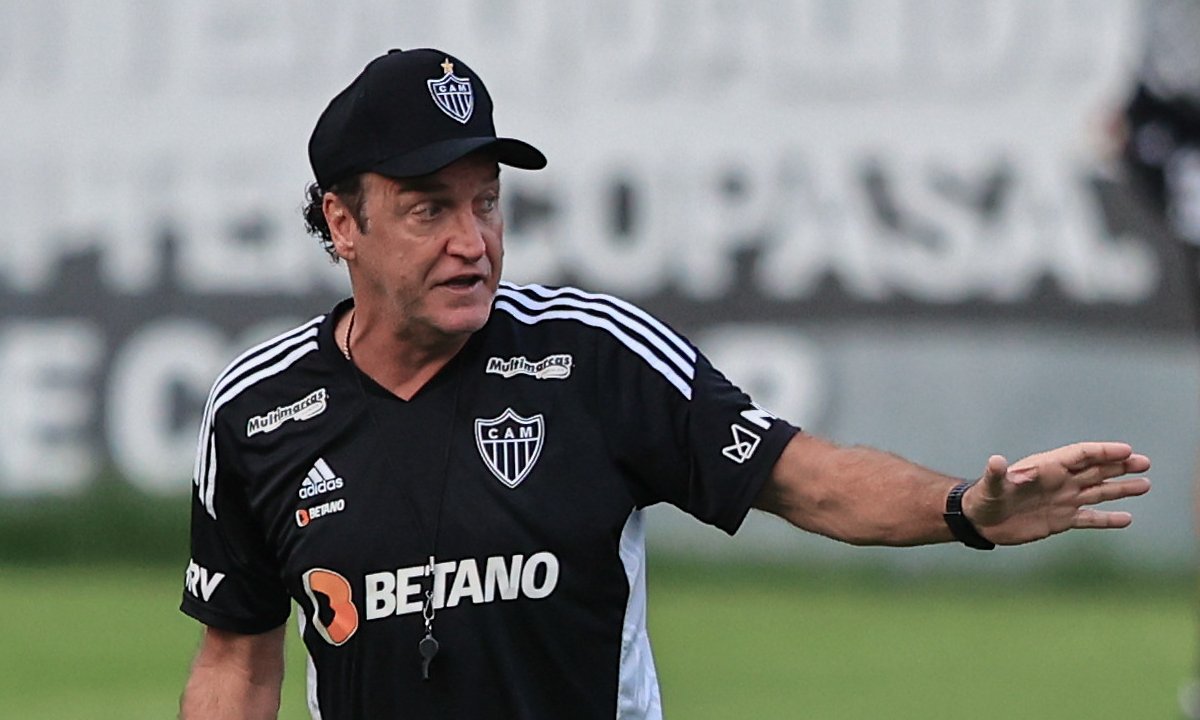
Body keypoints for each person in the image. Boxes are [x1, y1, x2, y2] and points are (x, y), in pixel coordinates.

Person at [179, 48, 1152, 720]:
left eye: (487, 203)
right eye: (430, 210)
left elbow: (803, 476)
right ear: (341, 221)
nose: (473, 242)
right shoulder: (256, 412)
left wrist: (961, 509)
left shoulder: (595, 356)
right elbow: (236, 659)